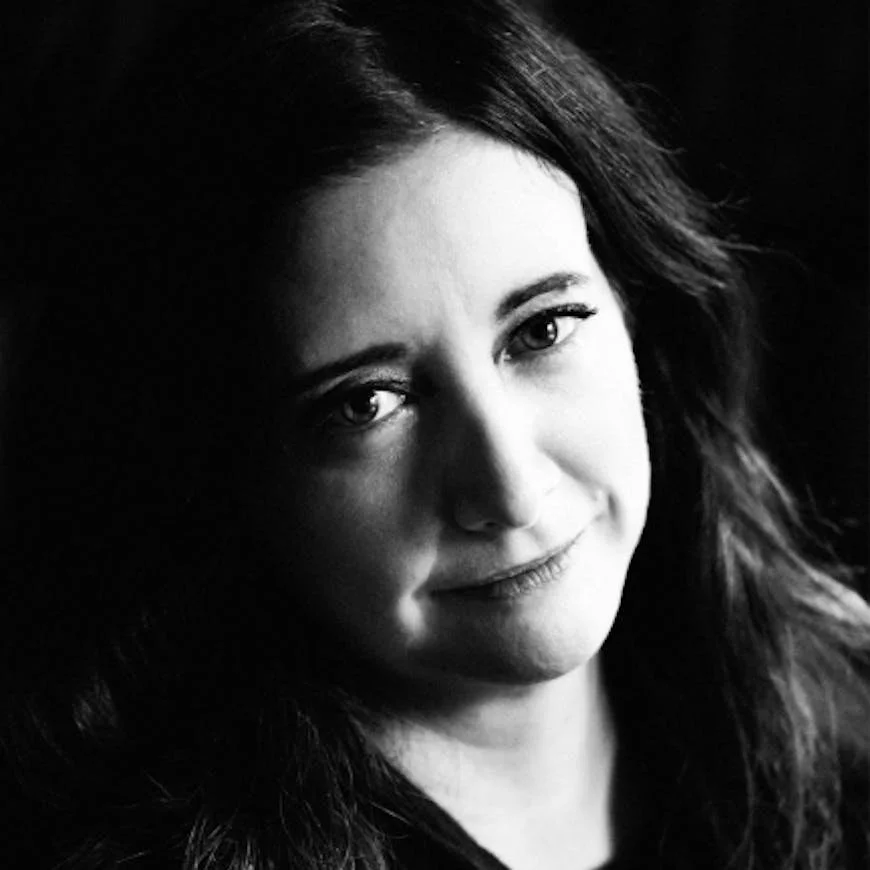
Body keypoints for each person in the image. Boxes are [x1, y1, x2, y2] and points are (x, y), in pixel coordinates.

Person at [1, 1, 868, 868]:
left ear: (635, 309)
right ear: (229, 470)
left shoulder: (837, 740)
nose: (508, 489)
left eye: (543, 330)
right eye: (367, 403)